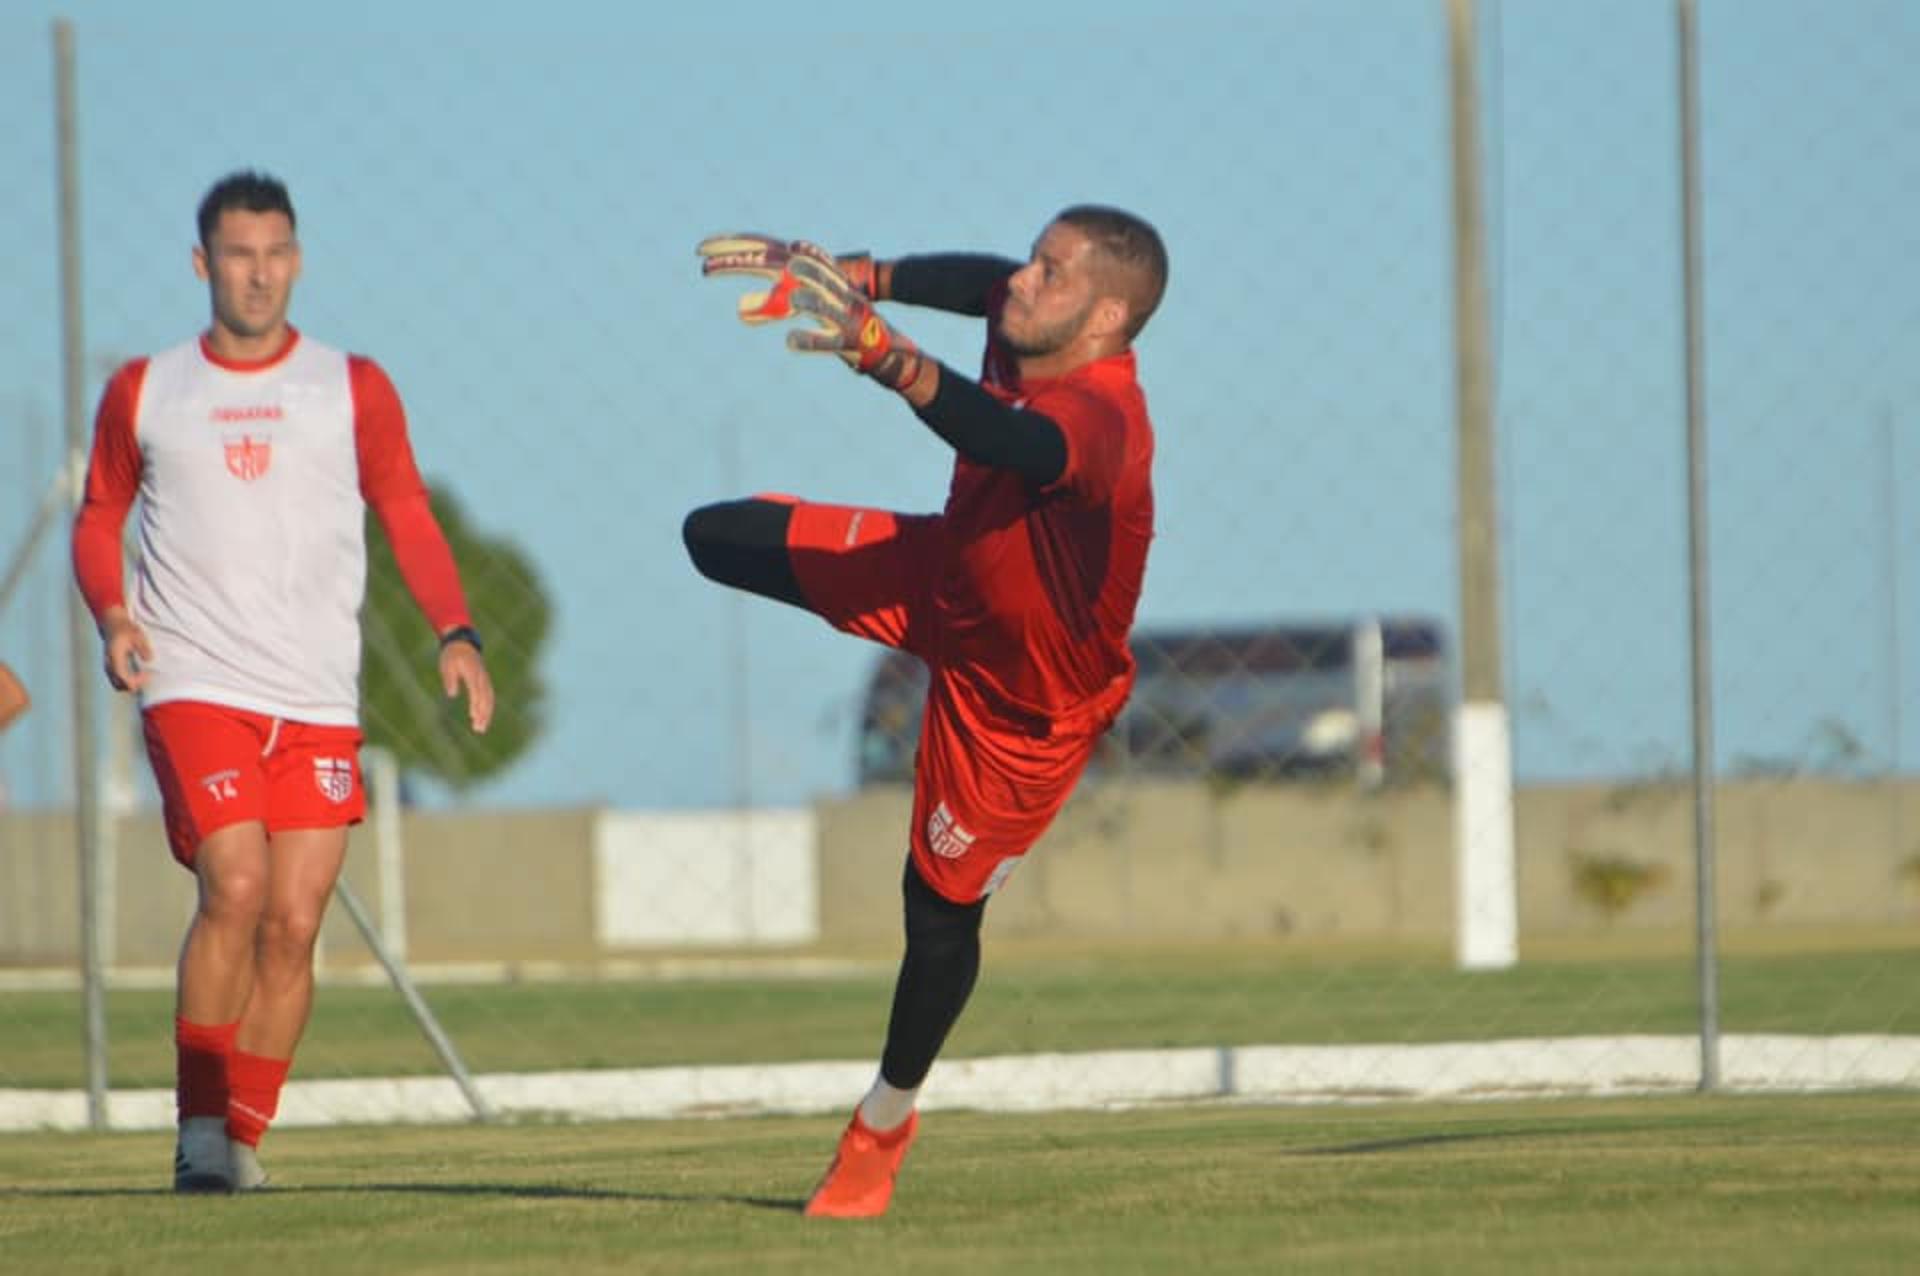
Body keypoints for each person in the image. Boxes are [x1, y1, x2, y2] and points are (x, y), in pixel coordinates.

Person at [686, 206, 1167, 1218]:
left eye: (1052, 272)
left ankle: (884, 1122)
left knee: (937, 912)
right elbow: (983, 279)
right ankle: (885, 1119)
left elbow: (1013, 441)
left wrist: (887, 357)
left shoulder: (1105, 418)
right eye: (1036, 262)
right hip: (941, 574)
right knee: (715, 536)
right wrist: (852, 270)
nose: (1024, 282)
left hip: (1022, 706)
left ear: (1109, 315)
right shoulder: (1025, 315)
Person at [71, 170, 494, 1193]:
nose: (258, 275)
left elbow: (406, 511)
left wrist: (457, 630)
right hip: (194, 680)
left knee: (297, 919)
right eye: (237, 254)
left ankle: (243, 1138)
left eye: (274, 254)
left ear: (296, 259)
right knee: (240, 884)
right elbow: (97, 516)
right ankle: (200, 1131)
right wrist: (115, 615)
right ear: (201, 263)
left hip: (314, 698)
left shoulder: (351, 386)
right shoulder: (147, 388)